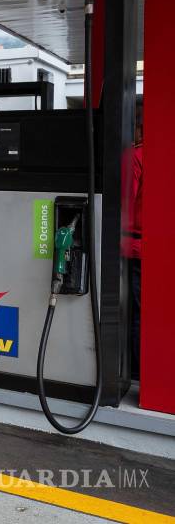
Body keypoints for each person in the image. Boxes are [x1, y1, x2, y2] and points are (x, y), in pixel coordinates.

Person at [122, 111, 143, 380]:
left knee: (135, 313)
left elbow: (123, 203)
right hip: (159, 251)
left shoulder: (135, 157)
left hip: (134, 249)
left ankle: (136, 372)